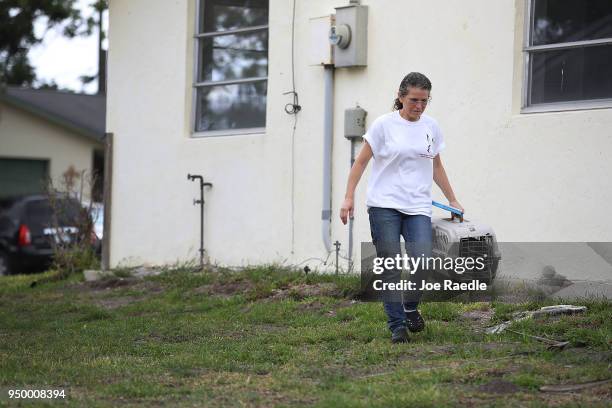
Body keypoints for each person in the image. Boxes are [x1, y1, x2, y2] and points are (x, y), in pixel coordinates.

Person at [340, 72, 464, 343]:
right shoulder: (384, 125)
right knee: (391, 266)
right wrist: (348, 197)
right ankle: (397, 326)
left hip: (417, 205)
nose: (419, 106)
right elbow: (360, 163)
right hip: (384, 205)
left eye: (424, 101)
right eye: (413, 100)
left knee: (424, 261)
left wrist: (452, 199)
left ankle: (409, 306)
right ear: (400, 96)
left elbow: (436, 165)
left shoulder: (431, 126)